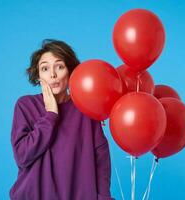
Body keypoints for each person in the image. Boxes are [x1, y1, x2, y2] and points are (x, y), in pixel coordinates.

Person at [9, 39, 114, 200]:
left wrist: (104, 197)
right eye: (45, 68)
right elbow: (22, 156)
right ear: (38, 76)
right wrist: (51, 115)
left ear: (71, 71)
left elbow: (101, 160)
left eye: (59, 66)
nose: (52, 74)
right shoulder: (25, 105)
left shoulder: (85, 108)